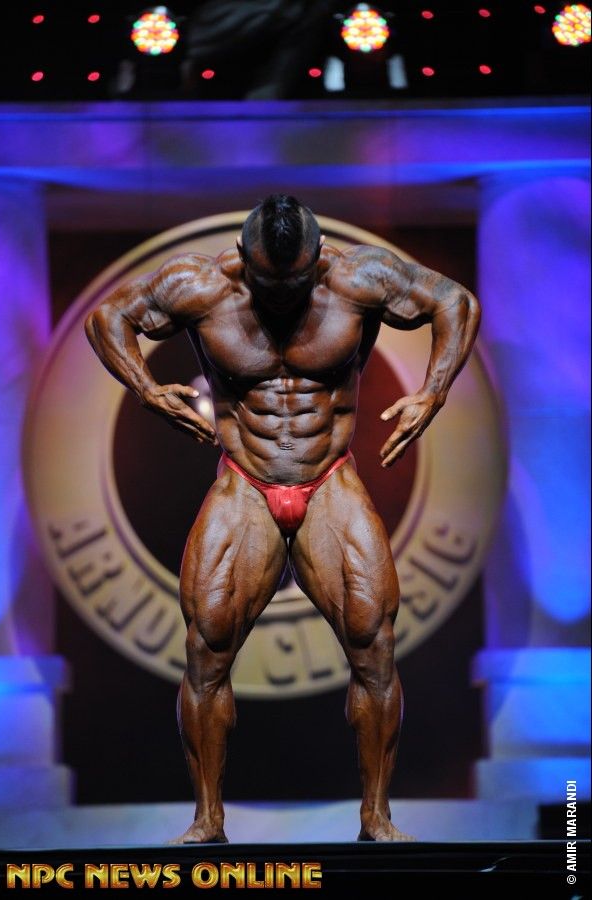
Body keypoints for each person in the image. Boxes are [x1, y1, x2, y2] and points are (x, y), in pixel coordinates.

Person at [85, 194, 481, 843]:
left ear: (317, 257)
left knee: (374, 644)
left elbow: (454, 303)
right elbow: (108, 317)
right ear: (243, 259)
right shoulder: (201, 285)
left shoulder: (357, 278)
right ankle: (208, 820)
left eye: (293, 283)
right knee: (207, 648)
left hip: (330, 480)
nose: (281, 297)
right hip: (244, 483)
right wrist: (148, 392)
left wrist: (433, 392)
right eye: (268, 284)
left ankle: (376, 818)